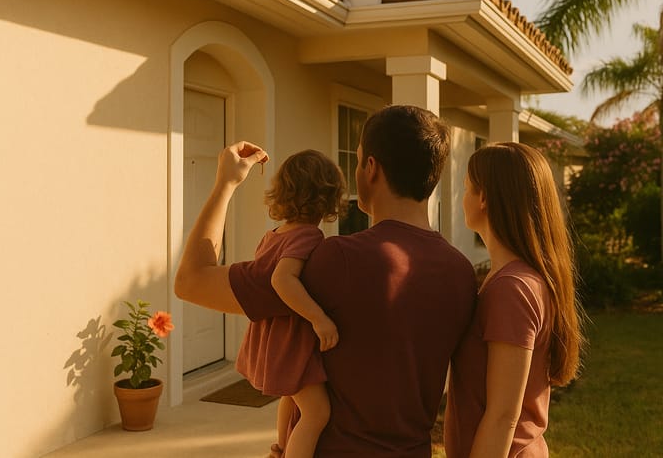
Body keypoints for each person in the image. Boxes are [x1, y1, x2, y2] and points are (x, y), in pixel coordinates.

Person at [175, 105, 478, 457]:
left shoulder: (338, 260)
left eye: (358, 160)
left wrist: (225, 184)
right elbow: (465, 399)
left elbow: (191, 281)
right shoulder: (460, 273)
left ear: (371, 168)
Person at [444, 142, 585, 458]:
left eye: (465, 187)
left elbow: (503, 416)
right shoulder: (514, 279)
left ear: (483, 198)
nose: (462, 197)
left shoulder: (513, 288)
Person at [233, 149, 346, 458]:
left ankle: (282, 448)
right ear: (326, 197)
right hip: (288, 341)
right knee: (317, 413)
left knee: (291, 397)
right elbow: (281, 280)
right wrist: (319, 318)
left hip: (270, 338)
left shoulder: (272, 235)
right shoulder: (309, 236)